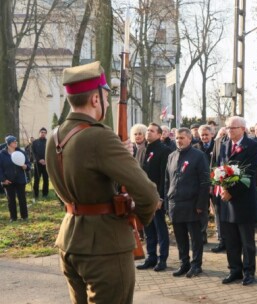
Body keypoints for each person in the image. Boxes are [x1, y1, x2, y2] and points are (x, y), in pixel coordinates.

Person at [45, 61, 159, 303]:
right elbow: (148, 193)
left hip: (69, 240)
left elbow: (71, 184)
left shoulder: (55, 136)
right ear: (95, 100)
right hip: (105, 245)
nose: (107, 104)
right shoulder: (99, 136)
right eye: (106, 98)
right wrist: (138, 221)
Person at [216, 116, 257, 286]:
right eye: (227, 128)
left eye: (233, 128)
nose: (229, 131)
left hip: (243, 200)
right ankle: (234, 270)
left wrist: (231, 192)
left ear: (243, 128)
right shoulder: (224, 144)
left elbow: (248, 174)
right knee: (231, 239)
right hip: (226, 200)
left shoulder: (253, 146)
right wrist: (221, 188)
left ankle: (249, 272)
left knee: (246, 241)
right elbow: (220, 167)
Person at [166, 128, 209, 278]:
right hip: (175, 204)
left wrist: (201, 205)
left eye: (182, 138)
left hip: (192, 205)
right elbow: (168, 181)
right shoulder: (171, 156)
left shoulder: (198, 156)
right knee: (180, 237)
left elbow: (205, 182)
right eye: (177, 138)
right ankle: (184, 263)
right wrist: (167, 202)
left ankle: (196, 265)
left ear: (190, 139)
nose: (179, 140)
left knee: (196, 238)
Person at [136, 123, 171, 272]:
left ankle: (162, 259)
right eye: (147, 130)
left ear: (159, 134)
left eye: (151, 131)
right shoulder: (145, 149)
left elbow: (165, 176)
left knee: (160, 227)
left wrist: (161, 198)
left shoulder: (164, 150)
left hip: (156, 196)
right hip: (144, 196)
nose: (148, 133)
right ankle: (151, 257)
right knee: (148, 228)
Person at [0, 135, 31, 222]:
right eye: (14, 142)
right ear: (9, 144)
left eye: (16, 141)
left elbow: (28, 164)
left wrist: (26, 166)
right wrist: (3, 179)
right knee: (11, 200)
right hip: (8, 181)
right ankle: (13, 218)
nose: (16, 143)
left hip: (20, 179)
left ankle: (24, 216)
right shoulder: (2, 154)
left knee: (22, 199)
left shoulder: (21, 152)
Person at [193, 124, 215, 244]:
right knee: (202, 209)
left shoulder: (216, 146)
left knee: (217, 210)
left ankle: (222, 236)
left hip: (215, 181)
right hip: (200, 184)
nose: (205, 137)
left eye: (207, 135)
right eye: (202, 135)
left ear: (212, 134)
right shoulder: (195, 147)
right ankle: (202, 234)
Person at [32, 127, 49, 199]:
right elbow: (33, 153)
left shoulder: (48, 142)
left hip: (46, 164)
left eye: (44, 133)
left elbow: (50, 153)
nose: (43, 134)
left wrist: (45, 160)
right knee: (36, 179)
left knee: (46, 179)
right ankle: (36, 194)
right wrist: (39, 160)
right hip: (37, 164)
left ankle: (45, 194)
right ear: (39, 133)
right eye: (42, 132)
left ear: (46, 134)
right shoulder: (35, 142)